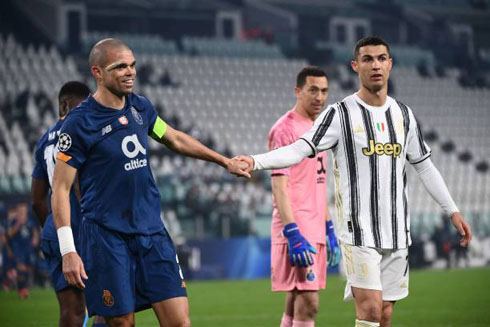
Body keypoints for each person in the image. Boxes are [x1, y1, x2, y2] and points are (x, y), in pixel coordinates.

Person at [234, 36, 472, 327]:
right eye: (368, 59)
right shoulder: (340, 114)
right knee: (370, 310)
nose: (376, 65)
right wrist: (255, 161)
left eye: (382, 58)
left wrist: (452, 210)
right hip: (358, 233)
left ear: (390, 65)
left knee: (384, 313)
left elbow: (424, 166)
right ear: (355, 66)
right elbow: (299, 149)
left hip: (397, 233)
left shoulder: (404, 115)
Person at [50, 38, 249, 327]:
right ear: (98, 72)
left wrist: (224, 161)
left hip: (152, 232)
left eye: (132, 65)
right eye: (120, 67)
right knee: (121, 322)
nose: (130, 72)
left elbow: (174, 138)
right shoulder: (78, 124)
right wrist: (68, 250)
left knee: (179, 322)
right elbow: (61, 188)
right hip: (107, 237)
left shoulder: (140, 109)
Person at [268, 66, 340, 327]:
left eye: (324, 91)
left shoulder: (319, 129)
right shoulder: (284, 129)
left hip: (315, 228)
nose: (319, 97)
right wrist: (292, 232)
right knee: (309, 303)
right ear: (298, 91)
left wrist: (329, 227)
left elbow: (318, 183)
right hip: (297, 230)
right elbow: (279, 186)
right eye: (313, 90)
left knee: (296, 298)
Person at [31, 81, 107, 327]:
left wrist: (54, 228)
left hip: (56, 231)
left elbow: (37, 200)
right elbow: (80, 189)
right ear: (65, 105)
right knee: (111, 306)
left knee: (71, 312)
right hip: (88, 229)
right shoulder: (85, 130)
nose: (87, 109)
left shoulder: (45, 141)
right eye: (82, 104)